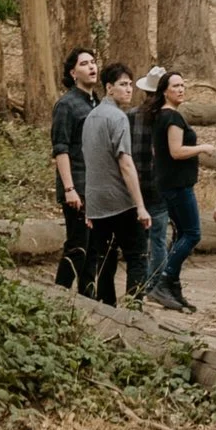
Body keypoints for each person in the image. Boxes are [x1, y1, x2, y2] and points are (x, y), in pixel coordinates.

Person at [80, 61, 148, 303]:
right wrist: (140, 205)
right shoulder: (118, 118)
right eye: (123, 84)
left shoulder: (91, 117)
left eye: (130, 84)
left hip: (97, 202)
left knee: (105, 259)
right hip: (120, 201)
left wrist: (89, 203)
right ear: (109, 88)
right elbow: (125, 163)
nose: (129, 90)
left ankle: (107, 307)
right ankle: (134, 309)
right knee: (137, 255)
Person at [147, 71, 203, 311]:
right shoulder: (171, 117)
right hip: (177, 186)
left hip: (169, 184)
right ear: (164, 91)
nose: (181, 89)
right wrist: (202, 147)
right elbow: (176, 151)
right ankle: (164, 280)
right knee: (192, 233)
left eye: (183, 85)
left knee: (181, 234)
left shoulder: (161, 116)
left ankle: (173, 287)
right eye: (176, 86)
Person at [48, 46, 99, 291]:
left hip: (97, 186)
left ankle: (89, 298)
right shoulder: (66, 105)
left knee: (93, 248)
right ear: (73, 72)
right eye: (84, 64)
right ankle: (59, 294)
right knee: (78, 245)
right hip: (77, 185)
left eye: (93, 62)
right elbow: (61, 148)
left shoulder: (96, 103)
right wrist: (69, 188)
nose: (91, 67)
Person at [132, 63, 169, 295]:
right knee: (158, 239)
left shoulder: (130, 116)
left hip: (135, 186)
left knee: (140, 240)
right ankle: (155, 285)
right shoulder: (168, 118)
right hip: (160, 187)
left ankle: (140, 285)